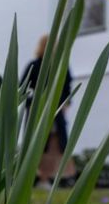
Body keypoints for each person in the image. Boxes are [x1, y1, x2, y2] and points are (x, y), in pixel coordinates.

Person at [22, 35, 76, 187]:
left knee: (57, 143)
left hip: (56, 111)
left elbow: (67, 87)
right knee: (37, 143)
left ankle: (54, 177)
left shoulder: (61, 65)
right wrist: (31, 104)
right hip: (37, 111)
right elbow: (23, 87)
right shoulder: (34, 65)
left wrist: (66, 104)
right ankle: (37, 177)